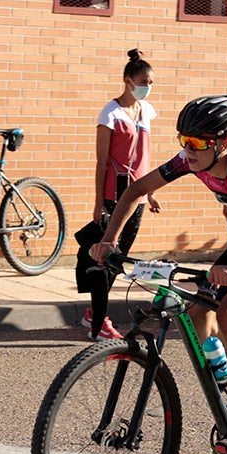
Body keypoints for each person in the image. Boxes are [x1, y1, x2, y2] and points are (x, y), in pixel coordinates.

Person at [90, 95, 227, 454]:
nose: (187, 150)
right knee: (196, 311)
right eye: (183, 140)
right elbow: (135, 190)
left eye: (196, 142)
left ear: (224, 143)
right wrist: (109, 241)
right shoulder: (189, 162)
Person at [80, 49, 161, 341]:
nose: (147, 87)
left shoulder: (146, 111)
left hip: (137, 195)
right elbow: (101, 161)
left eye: (151, 82)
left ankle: (94, 312)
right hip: (116, 194)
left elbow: (145, 158)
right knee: (107, 256)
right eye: (142, 81)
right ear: (127, 80)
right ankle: (98, 321)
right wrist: (98, 202)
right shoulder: (110, 113)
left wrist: (150, 192)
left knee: (118, 257)